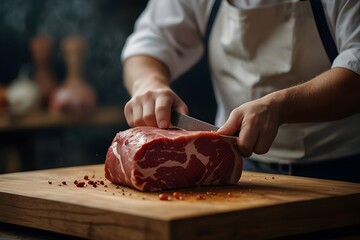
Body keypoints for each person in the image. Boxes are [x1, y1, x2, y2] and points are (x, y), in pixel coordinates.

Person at [120, 0, 360, 183]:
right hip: (235, 167)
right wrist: (149, 83)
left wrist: (279, 107)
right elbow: (150, 43)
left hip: (341, 170)